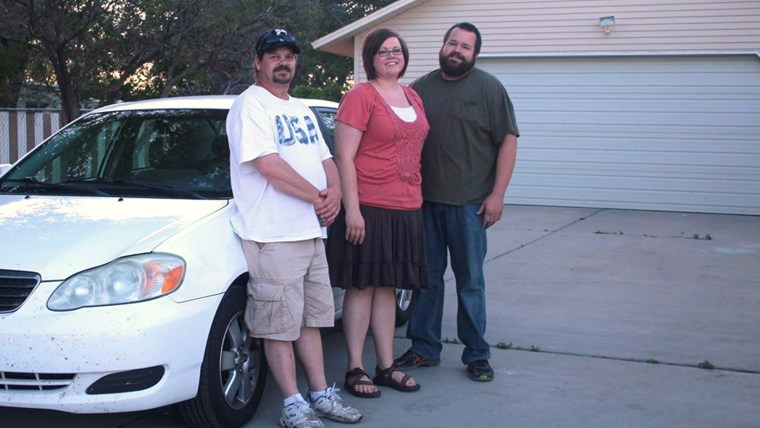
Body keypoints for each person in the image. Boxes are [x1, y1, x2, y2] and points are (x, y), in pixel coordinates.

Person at [226, 28, 362, 428]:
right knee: (277, 326)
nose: (283, 62)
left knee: (309, 321)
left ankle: (320, 395)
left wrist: (334, 191)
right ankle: (291, 404)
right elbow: (268, 166)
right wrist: (320, 199)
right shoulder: (250, 106)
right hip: (274, 235)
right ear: (258, 62)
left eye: (289, 56)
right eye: (274, 56)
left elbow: (327, 159)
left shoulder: (300, 109)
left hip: (309, 232)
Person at [393, 22, 520, 382]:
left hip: (471, 205)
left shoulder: (489, 89)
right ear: (443, 46)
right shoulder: (420, 89)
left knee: (470, 281)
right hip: (425, 204)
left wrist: (497, 194)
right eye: (453, 43)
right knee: (427, 280)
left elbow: (508, 141)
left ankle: (477, 354)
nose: (457, 50)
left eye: (465, 47)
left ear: (475, 54)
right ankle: (424, 348)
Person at [326, 28, 429, 398]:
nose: (391, 56)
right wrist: (351, 211)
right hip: (368, 207)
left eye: (397, 50)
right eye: (383, 51)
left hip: (407, 208)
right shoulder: (360, 96)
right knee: (362, 287)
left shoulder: (412, 96)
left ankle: (386, 366)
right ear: (370, 57)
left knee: (388, 287)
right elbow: (345, 158)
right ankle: (356, 368)